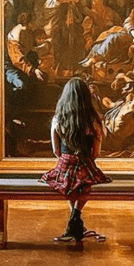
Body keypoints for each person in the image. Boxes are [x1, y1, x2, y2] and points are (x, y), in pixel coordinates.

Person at [40, 77, 112, 242]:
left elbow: (56, 150)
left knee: (69, 184)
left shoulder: (58, 119)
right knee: (83, 183)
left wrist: (67, 158)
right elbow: (95, 153)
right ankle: (75, 217)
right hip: (85, 164)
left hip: (65, 163)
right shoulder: (93, 120)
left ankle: (74, 220)